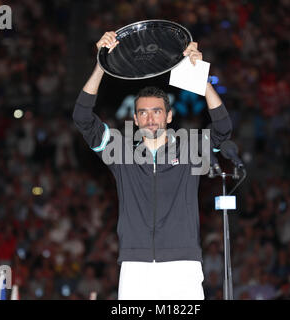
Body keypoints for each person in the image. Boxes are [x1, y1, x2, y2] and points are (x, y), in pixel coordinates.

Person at [73, 31, 232, 299]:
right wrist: (100, 66)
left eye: (157, 111)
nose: (150, 119)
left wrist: (201, 79)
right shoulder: (121, 152)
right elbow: (82, 117)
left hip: (183, 264)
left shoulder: (190, 149)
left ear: (169, 116)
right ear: (135, 119)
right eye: (143, 113)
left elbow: (223, 128)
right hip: (135, 266)